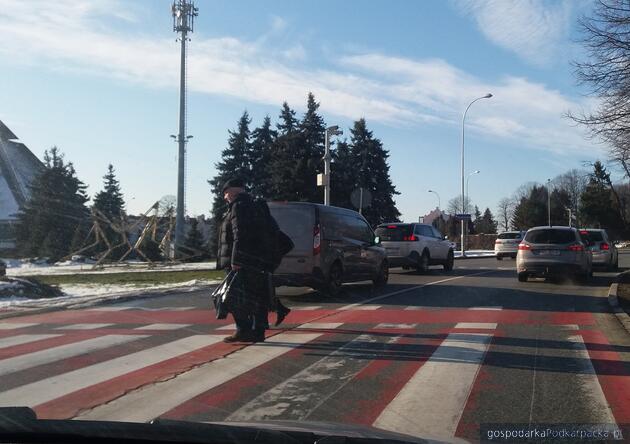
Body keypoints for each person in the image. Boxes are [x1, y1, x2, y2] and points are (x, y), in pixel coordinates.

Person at [217, 178, 271, 343]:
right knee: (256, 296)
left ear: (233, 191)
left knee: (234, 297)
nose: (225, 197)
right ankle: (258, 331)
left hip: (241, 262)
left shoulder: (239, 207)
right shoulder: (255, 205)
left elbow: (239, 235)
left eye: (225, 193)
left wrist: (236, 260)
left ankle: (244, 330)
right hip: (256, 260)